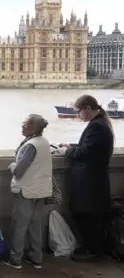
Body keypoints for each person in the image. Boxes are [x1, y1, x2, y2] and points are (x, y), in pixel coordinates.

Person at [57, 94, 114, 262]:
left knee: (85, 215)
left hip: (90, 182)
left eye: (78, 111)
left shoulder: (96, 126)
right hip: (94, 180)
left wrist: (66, 152)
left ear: (88, 108)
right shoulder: (101, 123)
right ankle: (93, 248)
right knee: (89, 216)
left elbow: (85, 153)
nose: (77, 115)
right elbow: (90, 147)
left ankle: (94, 251)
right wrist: (71, 146)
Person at [2, 114, 52, 270]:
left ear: (33, 126)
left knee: (20, 226)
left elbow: (18, 171)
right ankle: (37, 258)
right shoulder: (44, 142)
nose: (22, 127)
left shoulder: (30, 146)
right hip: (41, 190)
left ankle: (15, 259)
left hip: (26, 191)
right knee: (35, 225)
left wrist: (11, 165)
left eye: (25, 124)